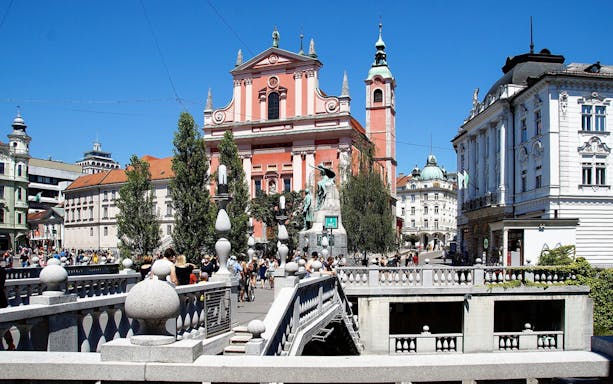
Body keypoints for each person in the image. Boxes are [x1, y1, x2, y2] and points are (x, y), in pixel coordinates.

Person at [0, 260, 15, 350]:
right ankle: (10, 343)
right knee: (3, 325)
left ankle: (10, 343)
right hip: (1, 299)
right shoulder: (2, 270)